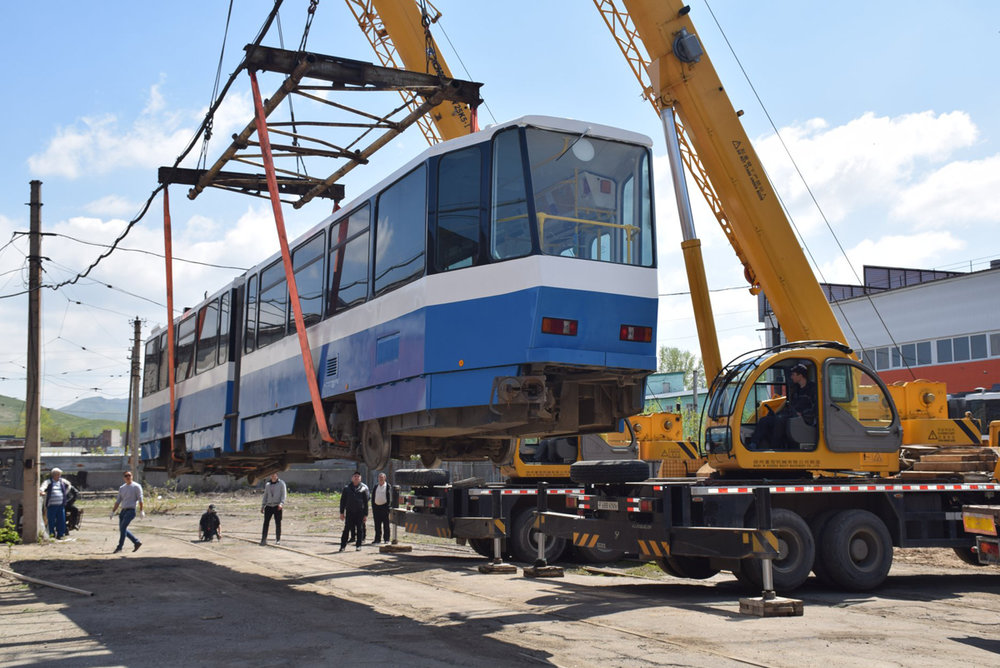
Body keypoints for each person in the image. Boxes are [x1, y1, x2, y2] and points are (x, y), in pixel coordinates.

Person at [749, 363, 818, 449]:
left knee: (780, 420)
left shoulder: (813, 389)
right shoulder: (795, 389)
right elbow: (790, 405)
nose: (791, 377)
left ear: (800, 375)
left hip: (803, 419)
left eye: (793, 375)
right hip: (791, 416)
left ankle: (775, 448)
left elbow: (816, 407)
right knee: (764, 420)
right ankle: (754, 444)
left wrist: (803, 414)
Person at [110, 471, 144, 554]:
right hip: (123, 511)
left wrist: (141, 510)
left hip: (131, 510)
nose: (128, 477)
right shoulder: (122, 488)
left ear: (132, 476)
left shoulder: (136, 486)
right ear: (124, 478)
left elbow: (140, 499)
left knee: (123, 528)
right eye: (126, 476)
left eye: (129, 475)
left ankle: (119, 547)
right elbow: (118, 500)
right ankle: (136, 542)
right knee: (122, 529)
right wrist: (113, 511)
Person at [39, 467, 74, 540]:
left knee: (61, 520)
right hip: (51, 505)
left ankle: (60, 534)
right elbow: (43, 487)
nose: (58, 476)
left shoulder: (62, 481)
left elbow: (69, 485)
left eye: (59, 474)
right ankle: (51, 534)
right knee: (51, 520)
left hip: (60, 505)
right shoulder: (49, 481)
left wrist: (65, 493)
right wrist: (42, 491)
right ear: (53, 475)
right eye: (57, 474)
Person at [339, 471, 369, 552]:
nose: (356, 478)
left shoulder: (363, 489)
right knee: (346, 529)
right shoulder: (347, 488)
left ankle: (358, 545)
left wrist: (366, 514)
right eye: (355, 476)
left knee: (359, 529)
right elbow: (342, 501)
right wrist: (341, 513)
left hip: (360, 513)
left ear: (360, 479)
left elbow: (366, 503)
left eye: (358, 476)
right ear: (352, 478)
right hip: (350, 513)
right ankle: (342, 546)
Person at [260, 472, 287, 546]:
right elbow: (265, 496)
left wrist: (281, 504)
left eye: (274, 474)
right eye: (271, 475)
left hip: (277, 506)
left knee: (278, 523)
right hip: (269, 506)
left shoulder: (281, 483)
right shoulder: (268, 485)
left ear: (277, 475)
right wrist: (263, 506)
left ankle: (278, 539)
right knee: (266, 523)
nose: (273, 476)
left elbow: (284, 495)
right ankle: (263, 539)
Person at [370, 472, 394, 544]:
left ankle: (386, 539)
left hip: (384, 508)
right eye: (379, 477)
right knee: (377, 525)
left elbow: (390, 498)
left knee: (386, 525)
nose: (381, 479)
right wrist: (373, 507)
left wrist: (388, 507)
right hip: (376, 508)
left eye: (382, 477)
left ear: (385, 478)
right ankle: (377, 539)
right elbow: (373, 497)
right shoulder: (376, 486)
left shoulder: (388, 486)